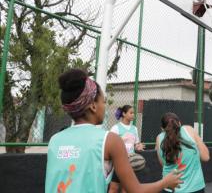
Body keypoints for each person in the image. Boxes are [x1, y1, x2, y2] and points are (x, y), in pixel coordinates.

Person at [45, 69, 182, 193]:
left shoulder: (54, 140)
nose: (105, 106)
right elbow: (136, 190)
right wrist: (165, 182)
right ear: (93, 106)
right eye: (103, 101)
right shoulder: (110, 140)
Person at [155, 112, 210, 193]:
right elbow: (206, 157)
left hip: (170, 188)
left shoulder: (159, 138)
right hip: (194, 188)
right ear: (179, 123)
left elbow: (163, 163)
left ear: (162, 128)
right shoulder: (188, 130)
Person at [109, 105, 146, 193]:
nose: (133, 115)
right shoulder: (115, 128)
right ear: (124, 114)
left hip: (130, 163)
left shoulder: (135, 129)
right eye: (131, 113)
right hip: (118, 162)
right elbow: (110, 145)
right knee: (113, 188)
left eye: (134, 113)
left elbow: (136, 144)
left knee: (126, 188)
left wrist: (138, 146)